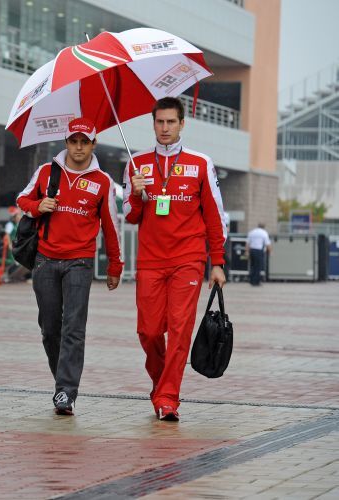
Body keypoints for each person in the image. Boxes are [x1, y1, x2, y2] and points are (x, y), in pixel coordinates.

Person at [123, 97, 227, 422]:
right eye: (159, 122)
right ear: (152, 123)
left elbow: (215, 216)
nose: (165, 128)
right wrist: (136, 195)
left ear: (183, 123)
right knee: (150, 332)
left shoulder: (200, 163)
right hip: (150, 261)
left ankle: (168, 397)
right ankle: (161, 385)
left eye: (171, 122)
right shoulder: (136, 163)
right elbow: (129, 216)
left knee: (180, 329)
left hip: (189, 260)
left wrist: (218, 262)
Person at [17, 117, 123, 416]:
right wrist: (38, 206)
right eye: (74, 141)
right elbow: (21, 198)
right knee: (50, 329)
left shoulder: (103, 182)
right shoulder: (46, 171)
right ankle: (61, 382)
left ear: (93, 144)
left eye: (84, 142)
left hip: (80, 262)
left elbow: (111, 226)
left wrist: (115, 265)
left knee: (73, 329)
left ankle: (66, 391)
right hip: (45, 261)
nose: (79, 147)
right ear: (66, 143)